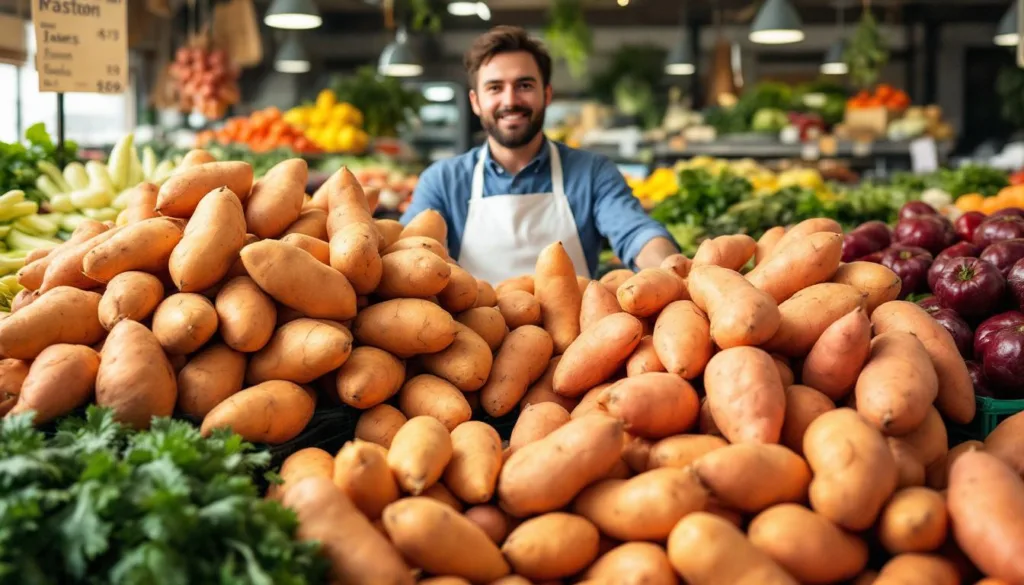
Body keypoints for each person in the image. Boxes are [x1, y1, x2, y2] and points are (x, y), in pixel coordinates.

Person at [399, 25, 680, 284]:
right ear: (476, 102)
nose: (510, 101)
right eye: (495, 87)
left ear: (546, 95)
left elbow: (636, 233)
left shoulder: (592, 173)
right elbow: (408, 250)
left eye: (525, 85)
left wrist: (671, 270)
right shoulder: (443, 181)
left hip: (576, 334)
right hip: (475, 334)